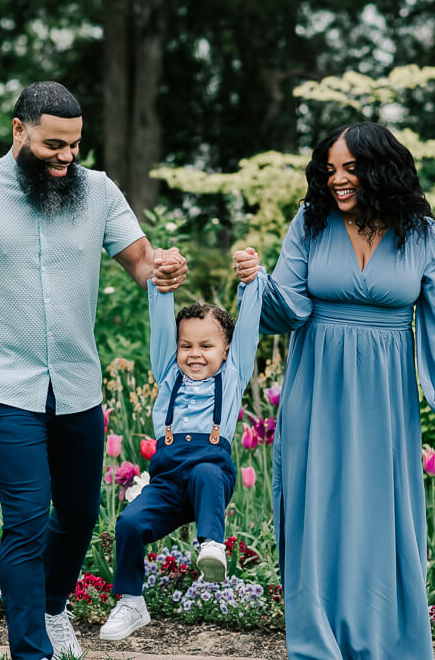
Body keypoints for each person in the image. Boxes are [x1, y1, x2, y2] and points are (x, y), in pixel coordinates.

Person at [0, 81, 187, 660]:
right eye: (53, 145)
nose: (66, 158)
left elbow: (139, 260)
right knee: (29, 520)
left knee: (82, 513)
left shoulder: (99, 192)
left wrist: (161, 268)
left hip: (78, 384)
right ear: (19, 130)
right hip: (6, 386)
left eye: (75, 145)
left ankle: (52, 606)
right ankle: (31, 652)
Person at [233, 122, 435, 660]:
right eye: (330, 170)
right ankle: (318, 645)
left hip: (386, 397)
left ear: (381, 169)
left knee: (381, 513)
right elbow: (289, 308)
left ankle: (384, 640)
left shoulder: (420, 233)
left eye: (350, 168)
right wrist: (256, 283)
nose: (338, 180)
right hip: (317, 385)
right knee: (317, 506)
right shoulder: (310, 222)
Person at [99, 260, 269, 641]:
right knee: (128, 524)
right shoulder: (167, 373)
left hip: (210, 476)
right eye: (186, 345)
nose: (195, 353)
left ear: (226, 349)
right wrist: (162, 283)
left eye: (207, 346)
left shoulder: (233, 373)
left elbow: (250, 325)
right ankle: (131, 602)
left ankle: (211, 544)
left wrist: (250, 282)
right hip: (168, 482)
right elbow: (160, 320)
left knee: (207, 472)